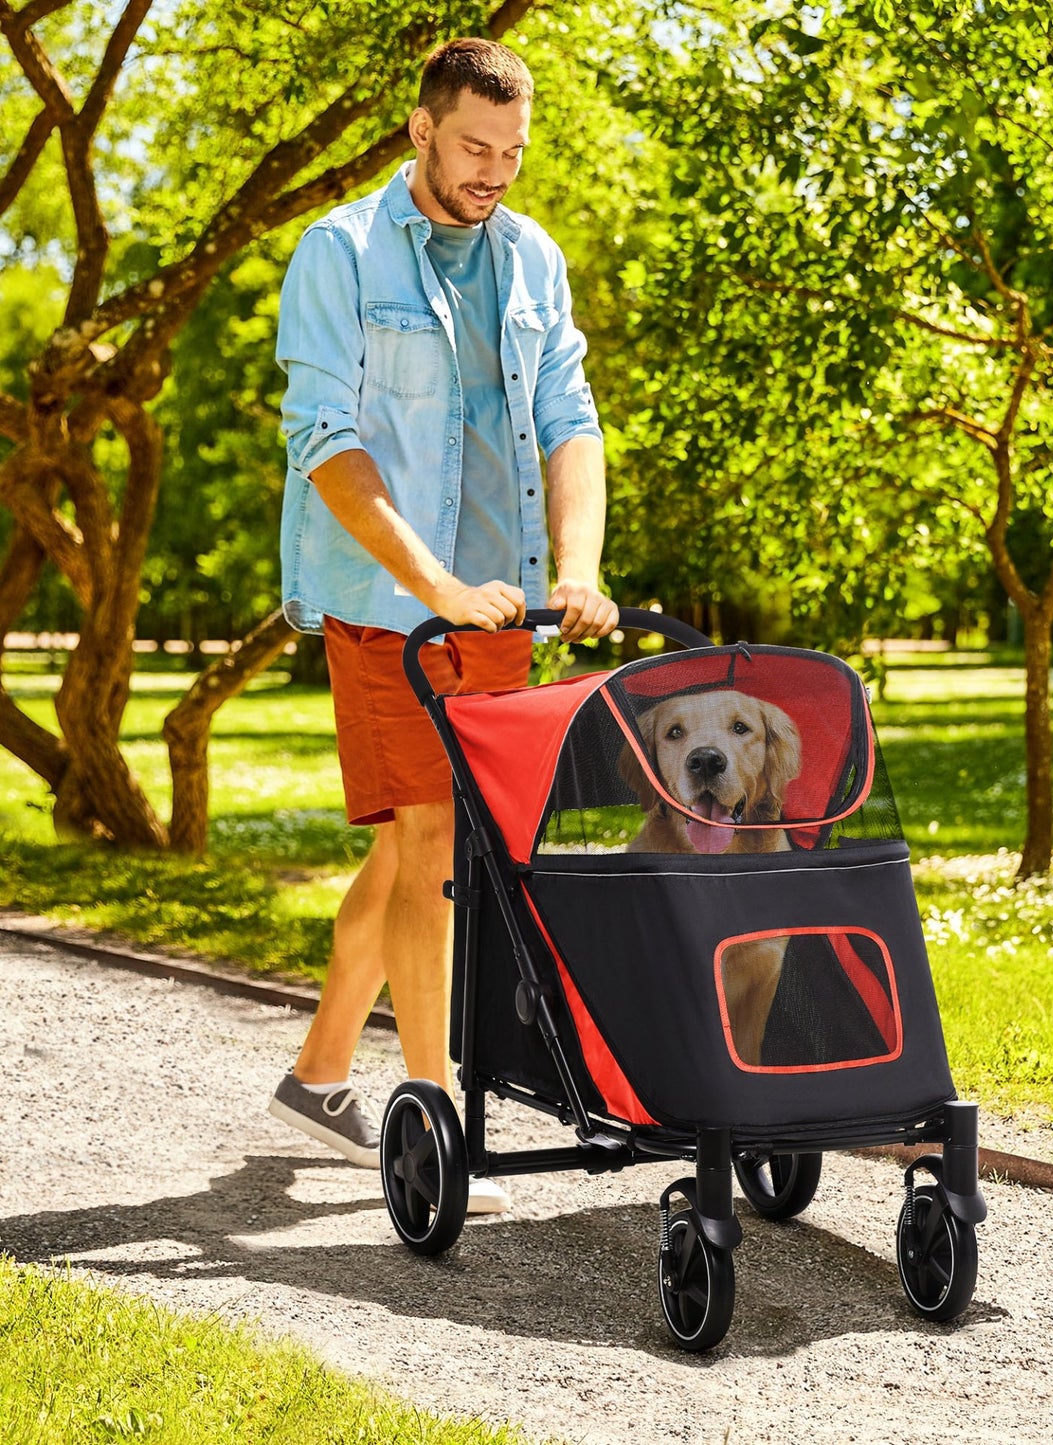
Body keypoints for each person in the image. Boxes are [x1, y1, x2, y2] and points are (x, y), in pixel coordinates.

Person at [266, 37, 619, 1213]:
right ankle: (433, 1113)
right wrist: (434, 586)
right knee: (430, 847)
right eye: (475, 147)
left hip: (502, 600)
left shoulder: (529, 260)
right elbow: (325, 439)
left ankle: (320, 1073)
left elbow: (569, 413)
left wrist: (577, 566)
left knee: (424, 841)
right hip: (385, 603)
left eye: (513, 152)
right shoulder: (342, 253)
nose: (495, 172)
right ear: (421, 129)